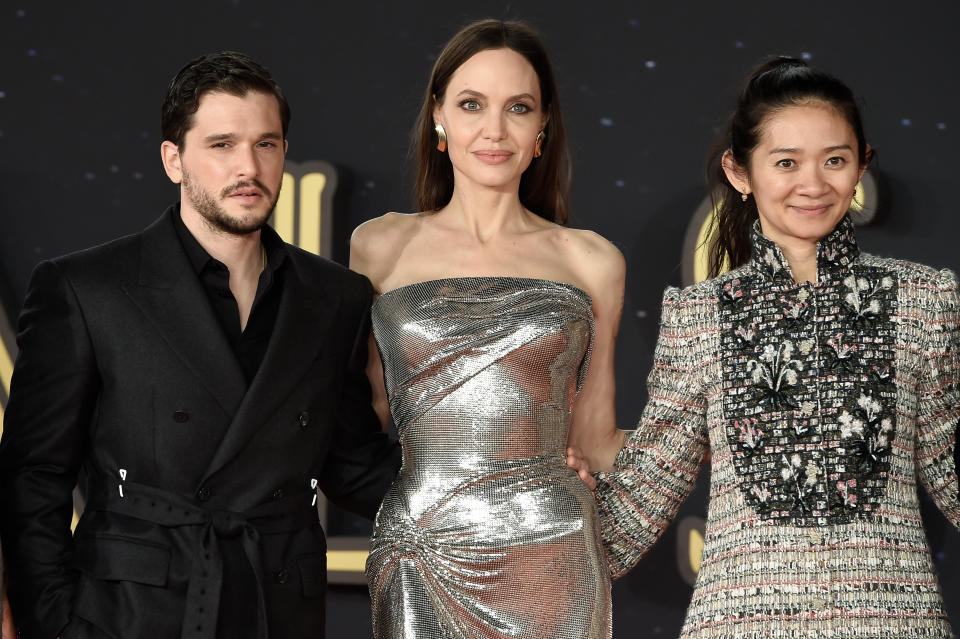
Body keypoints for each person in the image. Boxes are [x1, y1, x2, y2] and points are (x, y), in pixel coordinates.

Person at [0, 51, 400, 639]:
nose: (249, 167)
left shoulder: (334, 298)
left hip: (278, 605)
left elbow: (353, 466)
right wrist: (52, 622)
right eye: (222, 145)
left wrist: (506, 485)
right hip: (131, 611)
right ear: (173, 159)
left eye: (267, 144)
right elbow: (34, 476)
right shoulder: (87, 288)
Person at [593, 57, 960, 638]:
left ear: (862, 165)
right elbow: (648, 486)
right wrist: (537, 534)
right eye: (786, 162)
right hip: (738, 623)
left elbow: (948, 466)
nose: (813, 185)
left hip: (893, 620)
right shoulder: (700, 314)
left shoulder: (927, 298)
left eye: (834, 160)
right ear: (740, 173)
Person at [349, 19, 625, 639]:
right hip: (424, 553)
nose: (494, 131)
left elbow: (597, 438)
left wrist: (717, 427)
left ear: (542, 127)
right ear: (440, 118)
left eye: (518, 108)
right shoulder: (378, 247)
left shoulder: (591, 261)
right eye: (472, 104)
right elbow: (359, 421)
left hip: (553, 562)